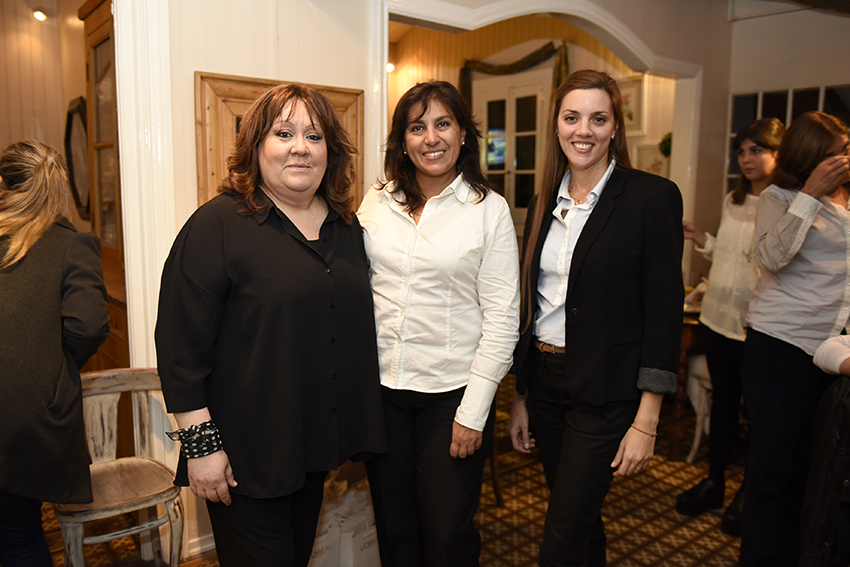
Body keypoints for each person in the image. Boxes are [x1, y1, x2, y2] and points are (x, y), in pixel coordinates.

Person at [155, 83, 386, 567]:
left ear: (331, 152)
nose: (300, 147)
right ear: (256, 146)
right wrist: (201, 447)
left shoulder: (346, 228)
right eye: (284, 133)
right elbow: (180, 345)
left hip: (312, 450)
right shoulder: (217, 226)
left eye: (314, 136)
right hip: (244, 459)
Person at [507, 69, 684, 567]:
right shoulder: (544, 200)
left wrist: (647, 420)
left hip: (606, 392)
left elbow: (664, 312)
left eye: (597, 118)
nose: (583, 130)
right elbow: (534, 306)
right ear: (556, 125)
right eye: (572, 117)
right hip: (545, 384)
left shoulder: (652, 198)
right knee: (582, 525)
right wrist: (521, 396)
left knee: (560, 538)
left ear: (615, 127)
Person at [358, 80, 520, 567]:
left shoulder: (488, 210)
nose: (431, 138)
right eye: (417, 126)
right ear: (402, 140)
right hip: (383, 393)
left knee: (447, 536)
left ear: (463, 134)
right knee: (395, 529)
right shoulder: (376, 202)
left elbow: (503, 319)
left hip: (451, 398)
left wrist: (473, 413)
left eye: (443, 123)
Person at [739, 110, 850, 567]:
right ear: (809, 157)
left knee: (814, 471)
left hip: (831, 350)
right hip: (780, 347)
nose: (844, 160)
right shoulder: (781, 196)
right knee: (772, 474)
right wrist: (810, 194)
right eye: (835, 154)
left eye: (846, 150)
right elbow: (770, 256)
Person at [0, 140, 110, 566]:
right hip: (25, 419)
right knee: (20, 534)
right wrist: (49, 365)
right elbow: (88, 326)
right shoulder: (72, 244)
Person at [676, 118, 785, 535]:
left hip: (753, 323)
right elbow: (729, 255)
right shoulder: (733, 199)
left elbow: (770, 263)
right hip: (717, 316)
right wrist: (702, 238)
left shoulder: (785, 203)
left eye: (757, 150)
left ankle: (748, 493)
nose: (747, 159)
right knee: (724, 401)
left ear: (779, 153)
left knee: (754, 412)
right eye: (742, 151)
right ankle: (715, 480)